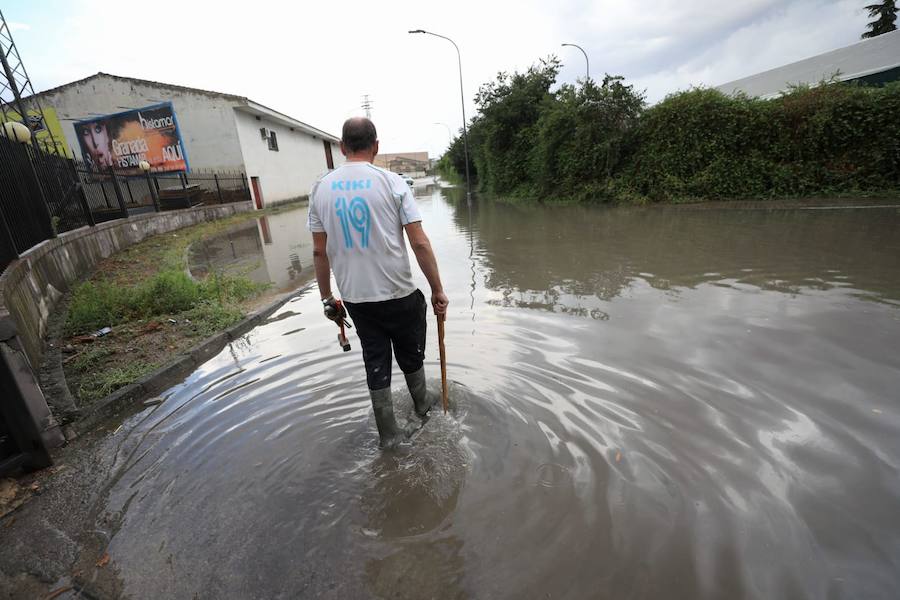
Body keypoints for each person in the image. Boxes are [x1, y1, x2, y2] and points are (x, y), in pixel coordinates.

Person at [308, 117, 449, 447]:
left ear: (342, 148)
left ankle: (388, 436)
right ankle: (424, 408)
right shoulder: (393, 183)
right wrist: (437, 289)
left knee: (375, 360)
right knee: (411, 356)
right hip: (399, 294)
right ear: (376, 146)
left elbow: (319, 251)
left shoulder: (320, 189)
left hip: (357, 301)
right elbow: (419, 242)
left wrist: (328, 299)